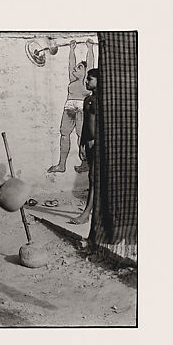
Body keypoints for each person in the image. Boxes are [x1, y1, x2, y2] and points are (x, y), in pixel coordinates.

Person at [48, 38, 95, 173]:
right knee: (64, 135)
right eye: (76, 67)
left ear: (85, 72)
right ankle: (61, 165)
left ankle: (85, 162)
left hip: (80, 109)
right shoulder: (72, 80)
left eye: (79, 67)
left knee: (81, 136)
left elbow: (90, 64)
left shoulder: (85, 82)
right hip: (68, 109)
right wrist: (71, 50)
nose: (75, 68)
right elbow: (70, 64)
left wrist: (90, 49)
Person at [70, 68, 99, 225]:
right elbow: (86, 124)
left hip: (99, 144)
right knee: (91, 177)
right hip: (89, 143)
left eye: (90, 79)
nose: (86, 81)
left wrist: (96, 140)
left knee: (95, 177)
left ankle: (86, 213)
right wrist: (82, 143)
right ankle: (89, 212)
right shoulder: (88, 99)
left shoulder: (104, 100)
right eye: (87, 79)